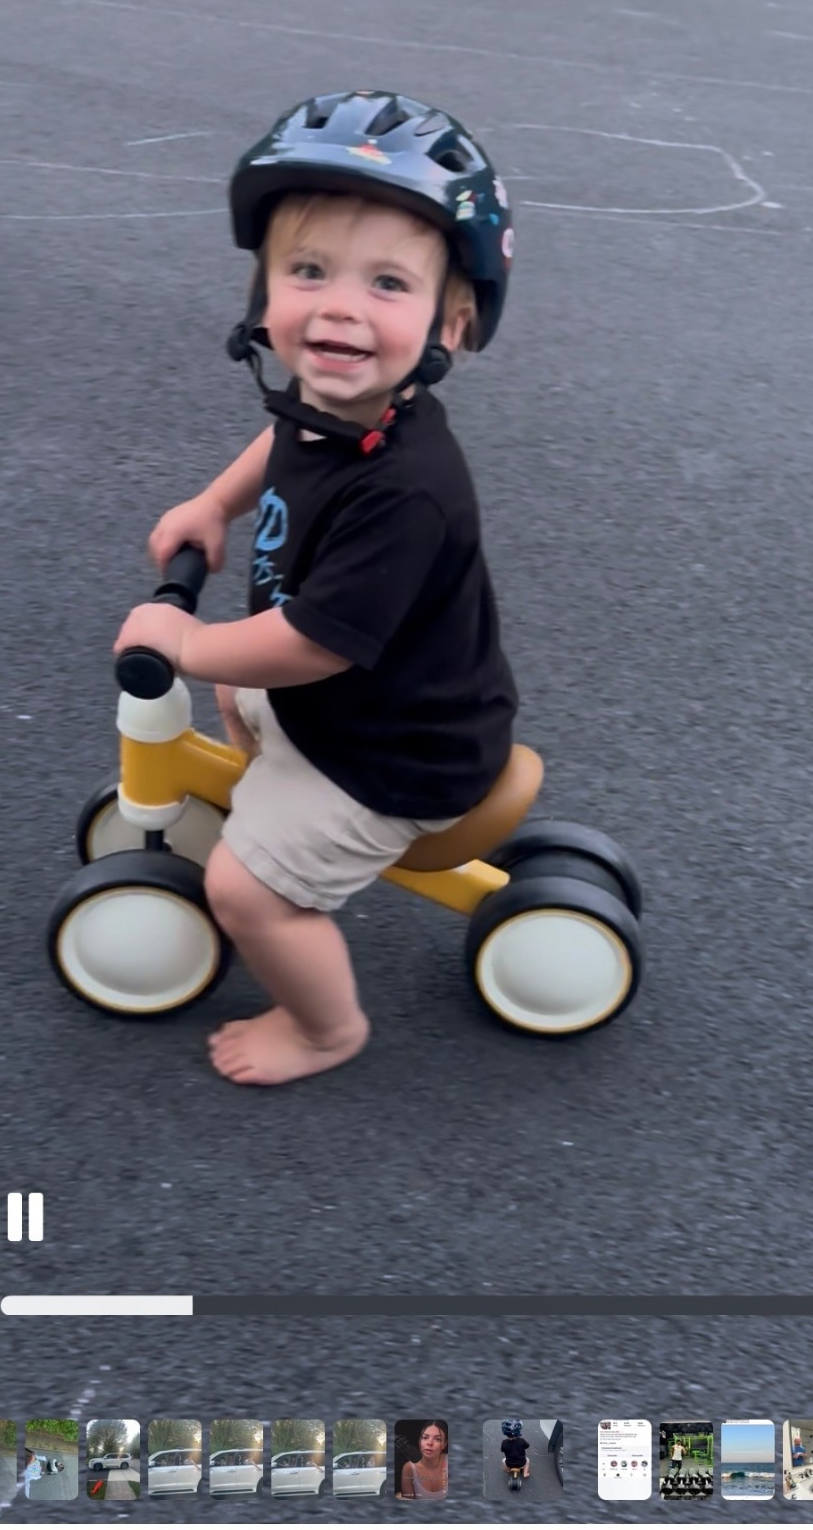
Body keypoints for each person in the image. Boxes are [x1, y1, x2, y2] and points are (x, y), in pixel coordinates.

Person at [115, 91, 517, 1086]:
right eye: (307, 271)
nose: (337, 307)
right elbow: (283, 436)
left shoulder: (409, 489)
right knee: (240, 694)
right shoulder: (335, 398)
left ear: (450, 324)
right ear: (263, 293)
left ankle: (327, 1027)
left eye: (386, 282)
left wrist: (183, 637)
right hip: (346, 706)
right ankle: (267, 799)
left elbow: (312, 646)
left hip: (398, 755)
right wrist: (215, 503)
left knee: (245, 890)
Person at [399, 1423, 448, 1498]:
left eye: (437, 1439)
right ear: (419, 1441)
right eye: (425, 1438)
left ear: (444, 1444)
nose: (429, 1443)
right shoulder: (409, 1468)